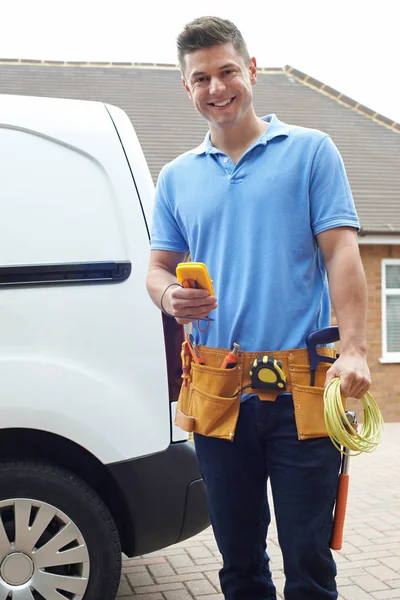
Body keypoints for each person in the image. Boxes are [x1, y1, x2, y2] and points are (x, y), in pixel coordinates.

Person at [146, 15, 371, 600]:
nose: (216, 88)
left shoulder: (310, 152)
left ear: (251, 69)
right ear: (186, 88)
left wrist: (355, 349)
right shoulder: (176, 178)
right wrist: (170, 294)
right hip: (218, 390)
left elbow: (343, 253)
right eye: (201, 78)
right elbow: (155, 270)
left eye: (226, 71)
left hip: (303, 387)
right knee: (239, 562)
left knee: (308, 558)